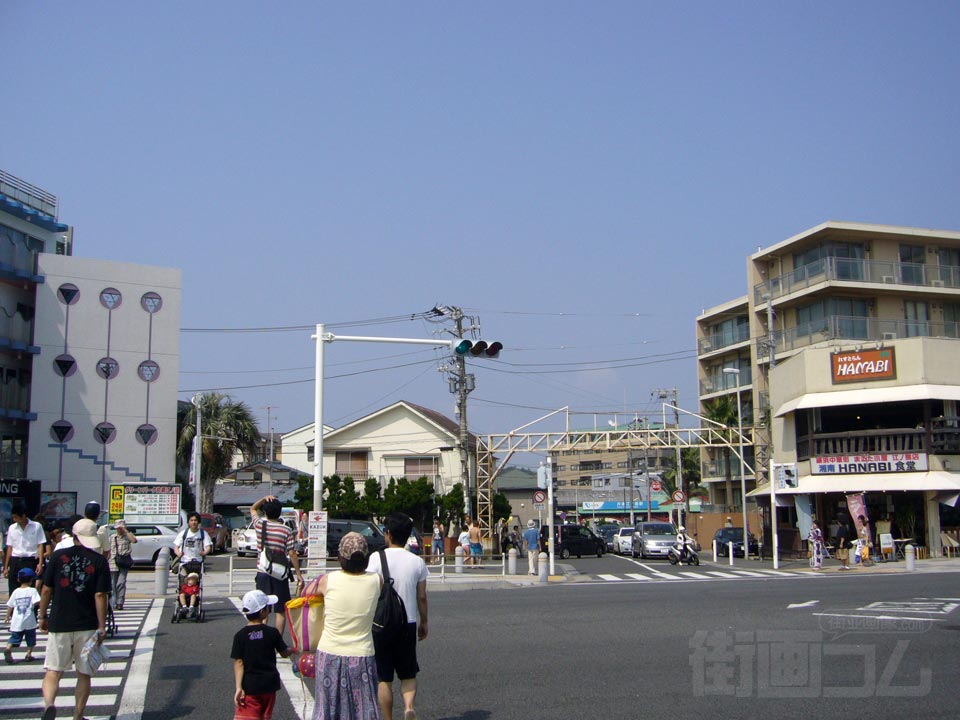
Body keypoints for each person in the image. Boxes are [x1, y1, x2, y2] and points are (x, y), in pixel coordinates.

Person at [39, 517, 110, 720]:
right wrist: (102, 626)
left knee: (53, 671)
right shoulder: (99, 561)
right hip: (86, 623)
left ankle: (49, 705)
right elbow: (100, 595)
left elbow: (46, 589)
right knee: (83, 674)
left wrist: (42, 616)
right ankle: (78, 716)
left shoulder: (57, 556)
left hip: (59, 622)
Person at [311, 532, 383, 720]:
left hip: (329, 653)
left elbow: (306, 594)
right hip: (362, 654)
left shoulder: (327, 580)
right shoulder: (377, 580)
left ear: (340, 557)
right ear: (366, 558)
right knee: (363, 711)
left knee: (326, 710)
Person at [366, 513, 429, 720]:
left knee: (384, 677)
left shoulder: (376, 559)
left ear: (388, 534)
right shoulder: (417, 562)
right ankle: (408, 706)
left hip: (381, 623)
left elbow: (369, 591)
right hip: (408, 623)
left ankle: (387, 717)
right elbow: (422, 597)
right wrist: (424, 622)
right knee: (408, 673)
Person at [232, 589, 294, 720]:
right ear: (262, 612)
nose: (269, 610)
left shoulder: (240, 636)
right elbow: (284, 653)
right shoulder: (272, 633)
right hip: (269, 685)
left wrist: (238, 687)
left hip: (250, 686)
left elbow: (239, 662)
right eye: (267, 607)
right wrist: (293, 649)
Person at [250, 495, 304, 637]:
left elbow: (253, 509)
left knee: (263, 609)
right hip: (280, 574)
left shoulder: (260, 525)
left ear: (266, 512)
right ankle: (277, 641)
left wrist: (263, 499)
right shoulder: (286, 530)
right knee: (280, 610)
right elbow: (292, 553)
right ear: (279, 512)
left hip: (263, 571)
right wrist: (298, 574)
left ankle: (262, 639)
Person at [3, 502, 47, 596]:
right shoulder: (12, 528)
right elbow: (10, 547)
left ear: (23, 516)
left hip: (30, 560)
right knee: (13, 589)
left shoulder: (36, 526)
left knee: (30, 590)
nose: (14, 520)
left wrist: (40, 563)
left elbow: (40, 545)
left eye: (16, 517)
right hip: (15, 560)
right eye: (13, 517)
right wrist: (6, 567)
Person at [5, 567, 41, 664]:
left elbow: (10, 605)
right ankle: (28, 654)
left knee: (15, 637)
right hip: (29, 620)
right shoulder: (33, 591)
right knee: (31, 638)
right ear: (31, 580)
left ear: (18, 579)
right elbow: (38, 602)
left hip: (17, 620)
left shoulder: (16, 591)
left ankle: (8, 648)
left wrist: (7, 616)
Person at [108, 520, 137, 610]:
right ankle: (114, 603)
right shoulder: (112, 537)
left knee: (121, 582)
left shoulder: (127, 536)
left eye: (121, 528)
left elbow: (134, 540)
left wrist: (126, 530)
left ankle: (120, 602)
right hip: (113, 562)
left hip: (124, 562)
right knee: (113, 584)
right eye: (118, 528)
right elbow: (108, 550)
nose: (119, 529)